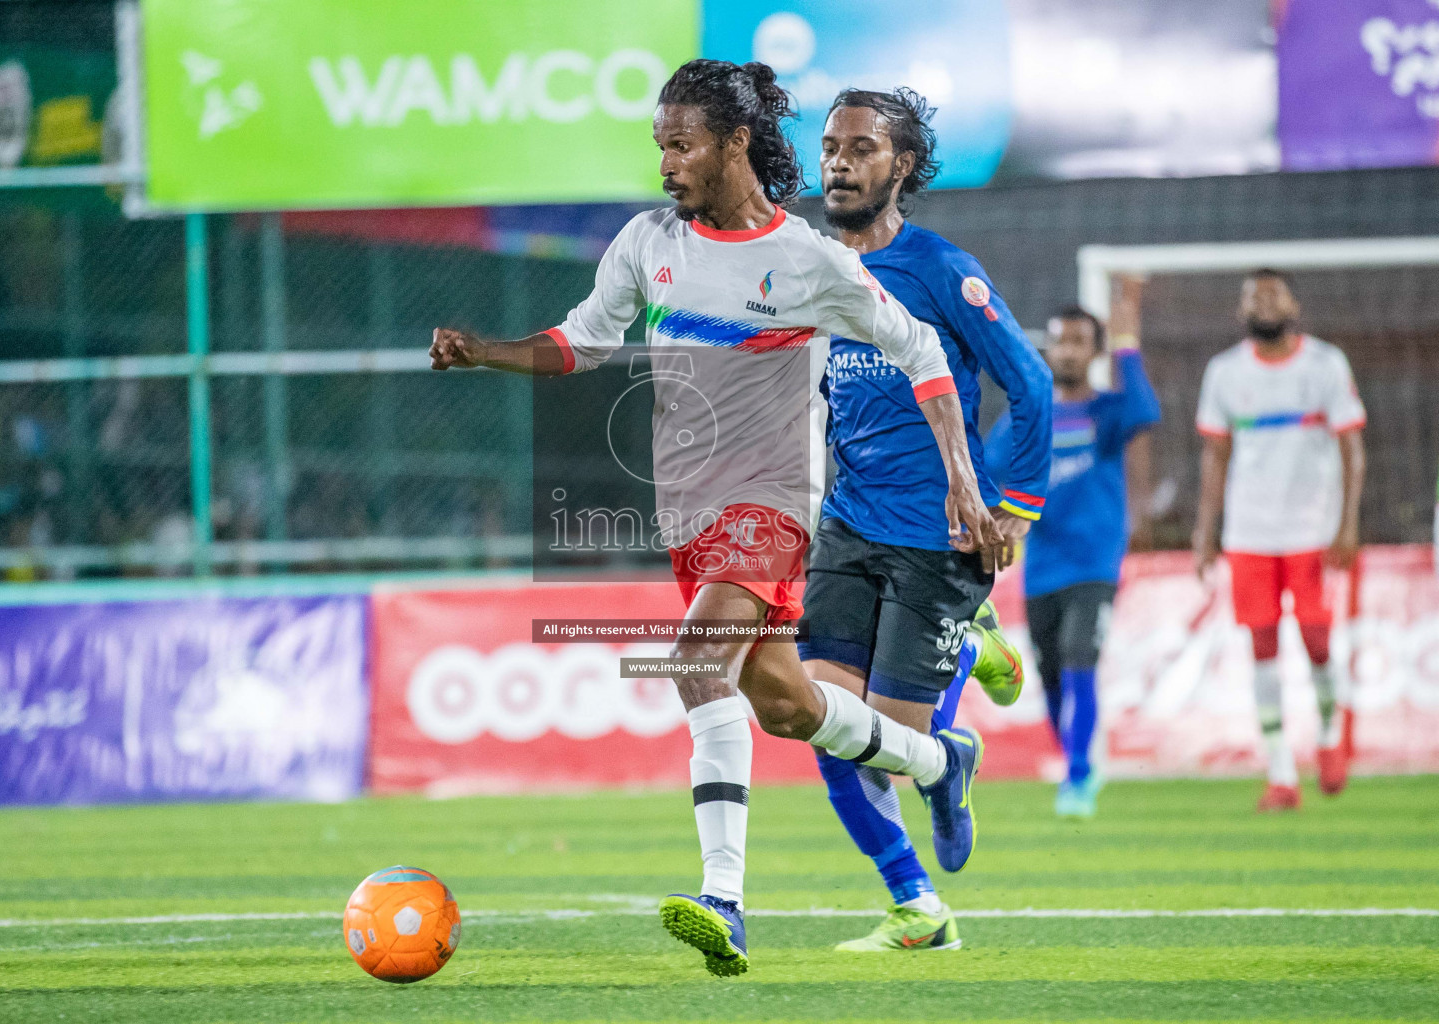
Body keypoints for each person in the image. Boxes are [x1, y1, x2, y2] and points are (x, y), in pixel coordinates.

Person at [429, 59, 1006, 977]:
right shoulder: (647, 243)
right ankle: (940, 763)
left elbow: (922, 347)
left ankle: (725, 901)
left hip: (771, 507)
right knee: (785, 706)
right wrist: (483, 352)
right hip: (690, 520)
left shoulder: (809, 261)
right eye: (660, 145)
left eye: (682, 144)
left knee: (695, 664)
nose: (666, 164)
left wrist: (964, 485)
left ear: (736, 143)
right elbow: (580, 342)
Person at [796, 87, 1051, 952]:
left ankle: (973, 648)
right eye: (830, 145)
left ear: (900, 166)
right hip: (847, 524)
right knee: (825, 725)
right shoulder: (809, 271)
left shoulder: (942, 270)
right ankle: (917, 905)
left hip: (939, 538)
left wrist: (1012, 508)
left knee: (895, 746)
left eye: (861, 147)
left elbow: (1032, 385)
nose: (838, 161)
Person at [986, 283, 1161, 818]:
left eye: (1080, 341)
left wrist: (1127, 335)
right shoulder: (1027, 417)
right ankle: (1076, 758)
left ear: (1095, 351)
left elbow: (1144, 409)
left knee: (1081, 655)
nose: (1067, 351)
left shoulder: (1108, 413)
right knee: (1052, 674)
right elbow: (991, 470)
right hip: (1042, 567)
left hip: (1095, 562)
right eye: (1060, 341)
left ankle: (1079, 774)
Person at [1193, 269, 1365, 812]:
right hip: (1249, 533)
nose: (1264, 303)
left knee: (1316, 641)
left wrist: (1348, 524)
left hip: (1312, 529)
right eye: (1253, 296)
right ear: (1240, 311)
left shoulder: (1325, 364)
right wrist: (1206, 531)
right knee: (1262, 647)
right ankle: (1281, 772)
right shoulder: (1224, 372)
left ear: (1293, 302)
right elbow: (1215, 457)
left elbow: (1352, 449)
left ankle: (1331, 733)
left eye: (1273, 293)